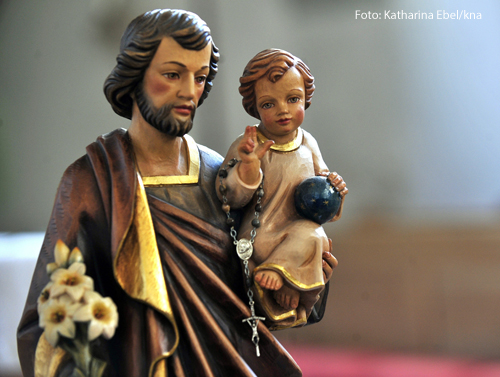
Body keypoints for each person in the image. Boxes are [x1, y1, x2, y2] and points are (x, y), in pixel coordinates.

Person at [17, 10, 338, 377]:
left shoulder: (224, 174)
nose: (190, 91)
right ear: (134, 76)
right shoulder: (94, 182)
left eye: (200, 77)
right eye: (172, 75)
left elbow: (246, 296)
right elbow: (49, 323)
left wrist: (305, 280)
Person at [218, 49, 348, 330]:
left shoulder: (308, 142)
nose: (283, 110)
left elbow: (322, 188)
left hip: (301, 241)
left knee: (316, 236)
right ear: (254, 107)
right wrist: (249, 167)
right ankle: (279, 273)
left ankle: (288, 281)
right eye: (268, 104)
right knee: (313, 238)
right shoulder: (249, 143)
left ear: (305, 98)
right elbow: (228, 197)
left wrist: (335, 188)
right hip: (263, 236)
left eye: (293, 99)